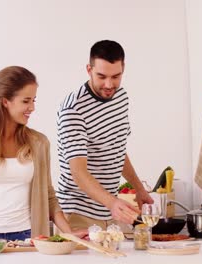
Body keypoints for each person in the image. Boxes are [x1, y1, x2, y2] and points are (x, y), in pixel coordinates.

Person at [0, 66, 86, 245]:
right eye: (26, 101)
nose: (32, 108)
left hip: (30, 238)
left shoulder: (39, 143)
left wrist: (69, 232)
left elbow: (48, 195)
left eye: (34, 100)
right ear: (5, 102)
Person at [56, 40, 154, 230]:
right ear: (88, 69)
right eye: (101, 76)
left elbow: (117, 150)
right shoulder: (73, 109)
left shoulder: (120, 97)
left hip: (110, 211)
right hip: (77, 214)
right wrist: (111, 203)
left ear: (123, 69)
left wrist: (139, 189)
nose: (109, 84)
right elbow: (78, 172)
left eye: (116, 76)